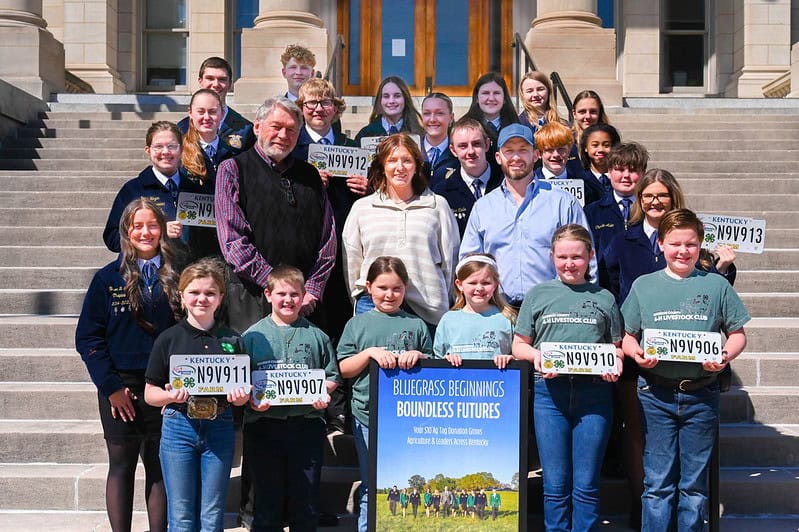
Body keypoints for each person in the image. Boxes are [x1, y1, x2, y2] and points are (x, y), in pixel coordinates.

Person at [621, 209, 750, 531]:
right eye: (675, 243)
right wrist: (636, 354)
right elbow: (626, 336)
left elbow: (737, 334)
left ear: (700, 245)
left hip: (701, 394)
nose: (683, 251)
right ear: (661, 244)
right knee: (657, 485)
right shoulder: (644, 285)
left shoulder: (717, 285)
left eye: (690, 244)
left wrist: (722, 356)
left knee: (693, 487)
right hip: (655, 394)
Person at [76, 198, 181, 532]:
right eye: (137, 226)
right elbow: (89, 338)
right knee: (121, 466)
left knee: (159, 467)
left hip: (164, 388)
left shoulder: (179, 274)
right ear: (126, 232)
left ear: (162, 229)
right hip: (121, 388)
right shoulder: (107, 279)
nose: (145, 232)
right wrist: (111, 388)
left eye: (152, 225)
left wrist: (176, 386)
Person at [512, 224, 623, 531]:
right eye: (562, 257)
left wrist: (614, 364)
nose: (569, 263)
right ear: (552, 257)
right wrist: (538, 357)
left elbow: (616, 347)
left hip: (594, 396)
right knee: (556, 485)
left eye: (577, 256)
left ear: (590, 256)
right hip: (550, 394)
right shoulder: (538, 295)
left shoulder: (604, 297)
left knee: (586, 485)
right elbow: (519, 344)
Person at [143, 258, 250, 531]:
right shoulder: (168, 339)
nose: (202, 298)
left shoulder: (232, 340)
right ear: (182, 295)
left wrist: (241, 397)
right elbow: (150, 393)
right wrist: (169, 397)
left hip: (220, 427)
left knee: (212, 514)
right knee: (180, 514)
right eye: (194, 292)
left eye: (210, 293)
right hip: (179, 426)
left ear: (220, 298)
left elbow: (243, 391)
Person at [215, 95, 336, 334]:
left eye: (291, 130)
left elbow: (328, 238)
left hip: (305, 303)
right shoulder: (233, 169)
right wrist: (278, 287)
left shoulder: (310, 175)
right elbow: (232, 240)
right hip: (251, 297)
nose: (283, 135)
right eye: (276, 127)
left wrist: (310, 288)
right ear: (258, 126)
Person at [241, 265, 341, 531]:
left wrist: (322, 393)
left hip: (306, 425)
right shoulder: (250, 337)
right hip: (264, 424)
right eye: (282, 294)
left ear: (304, 296)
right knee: (267, 503)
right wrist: (251, 397)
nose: (288, 300)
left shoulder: (317, 336)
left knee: (305, 503)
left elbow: (332, 376)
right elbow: (240, 380)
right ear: (267, 294)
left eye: (295, 294)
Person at [337, 257, 432, 532]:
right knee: (372, 482)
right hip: (368, 415)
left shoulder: (416, 325)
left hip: (408, 418)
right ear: (369, 287)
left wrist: (420, 356)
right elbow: (343, 369)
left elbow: (435, 367)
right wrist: (368, 354)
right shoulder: (356, 325)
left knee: (404, 479)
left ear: (406, 288)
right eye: (382, 288)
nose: (389, 295)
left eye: (396, 288)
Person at [460, 123, 595, 308]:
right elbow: (470, 261)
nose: (516, 157)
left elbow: (587, 259)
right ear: (498, 157)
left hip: (552, 308)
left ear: (536, 155)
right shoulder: (483, 207)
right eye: (509, 151)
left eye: (523, 150)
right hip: (497, 310)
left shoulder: (563, 203)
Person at [342, 133, 460, 327]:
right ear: (382, 166)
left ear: (416, 166)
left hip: (427, 309)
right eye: (392, 160)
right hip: (373, 307)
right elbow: (352, 264)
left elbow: (451, 260)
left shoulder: (437, 206)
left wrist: (442, 299)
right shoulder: (362, 208)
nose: (400, 167)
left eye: (407, 160)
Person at [103, 122, 186, 253]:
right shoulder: (133, 190)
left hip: (191, 270)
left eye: (172, 146)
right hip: (149, 269)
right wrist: (158, 233)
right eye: (158, 147)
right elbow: (112, 238)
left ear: (181, 149)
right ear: (148, 150)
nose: (165, 152)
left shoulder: (197, 188)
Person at [181, 88, 237, 261]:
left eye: (213, 112)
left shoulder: (234, 156)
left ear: (221, 115)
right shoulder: (178, 154)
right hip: (188, 244)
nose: (206, 117)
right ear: (190, 113)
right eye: (200, 111)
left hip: (223, 241)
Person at [434, 254, 515, 367]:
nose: (479, 288)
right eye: (472, 283)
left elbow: (518, 356)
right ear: (459, 285)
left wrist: (511, 359)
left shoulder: (507, 318)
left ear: (495, 285)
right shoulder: (448, 320)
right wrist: (446, 360)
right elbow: (437, 358)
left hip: (497, 382)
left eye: (486, 283)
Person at [430, 117, 504, 235]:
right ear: (453, 150)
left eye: (476, 144)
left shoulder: (505, 183)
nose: (471, 151)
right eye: (463, 146)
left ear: (487, 144)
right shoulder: (443, 192)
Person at [584, 140, 647, 262]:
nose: (626, 175)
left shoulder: (650, 210)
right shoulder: (592, 212)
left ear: (643, 173)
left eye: (633, 170)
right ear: (609, 171)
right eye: (620, 170)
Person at [177, 57, 255, 155]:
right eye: (210, 78)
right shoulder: (182, 128)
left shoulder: (246, 130)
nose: (216, 84)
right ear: (200, 81)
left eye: (222, 79)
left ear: (230, 84)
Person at [533, 121, 605, 207]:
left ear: (569, 150)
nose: (556, 155)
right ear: (539, 153)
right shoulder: (529, 184)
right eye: (549, 150)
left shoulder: (587, 184)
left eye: (561, 149)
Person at [355, 76, 423, 141]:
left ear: (405, 99)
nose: (391, 101)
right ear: (380, 100)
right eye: (386, 96)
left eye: (397, 96)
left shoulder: (419, 134)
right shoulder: (365, 135)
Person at [569, 90, 612, 175]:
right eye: (582, 112)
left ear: (599, 112)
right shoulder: (567, 140)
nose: (588, 116)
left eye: (593, 111)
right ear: (574, 113)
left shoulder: (611, 138)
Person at [578, 123, 622, 195]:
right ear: (585, 147)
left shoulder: (623, 178)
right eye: (595, 145)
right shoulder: (580, 180)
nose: (600, 149)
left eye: (606, 145)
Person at [421, 92, 457, 176]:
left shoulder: (458, 151)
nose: (432, 119)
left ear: (451, 118)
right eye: (427, 113)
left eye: (439, 113)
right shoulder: (413, 148)